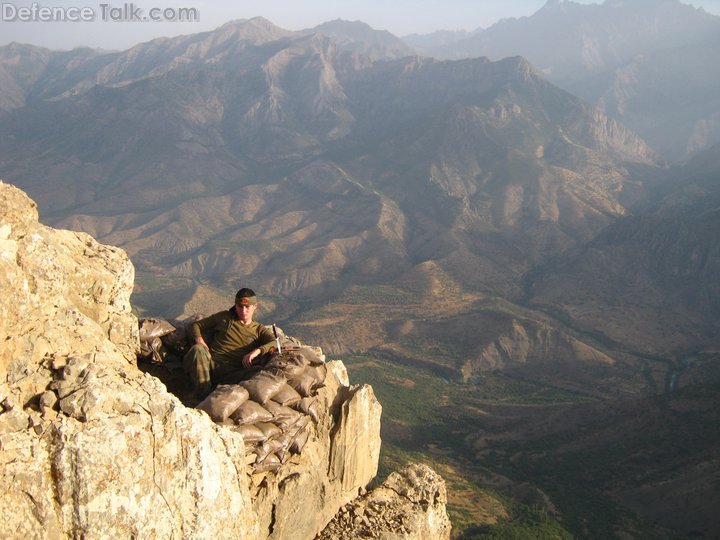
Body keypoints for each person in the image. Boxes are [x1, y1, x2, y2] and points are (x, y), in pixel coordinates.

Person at [183, 287, 276, 398]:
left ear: (255, 307)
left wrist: (256, 351)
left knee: (257, 372)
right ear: (235, 306)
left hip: (233, 373)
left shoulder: (258, 330)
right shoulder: (224, 317)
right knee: (197, 349)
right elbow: (196, 325)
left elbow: (274, 342)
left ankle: (221, 394)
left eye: (247, 307)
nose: (243, 311)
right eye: (240, 307)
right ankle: (203, 394)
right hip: (210, 366)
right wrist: (200, 340)